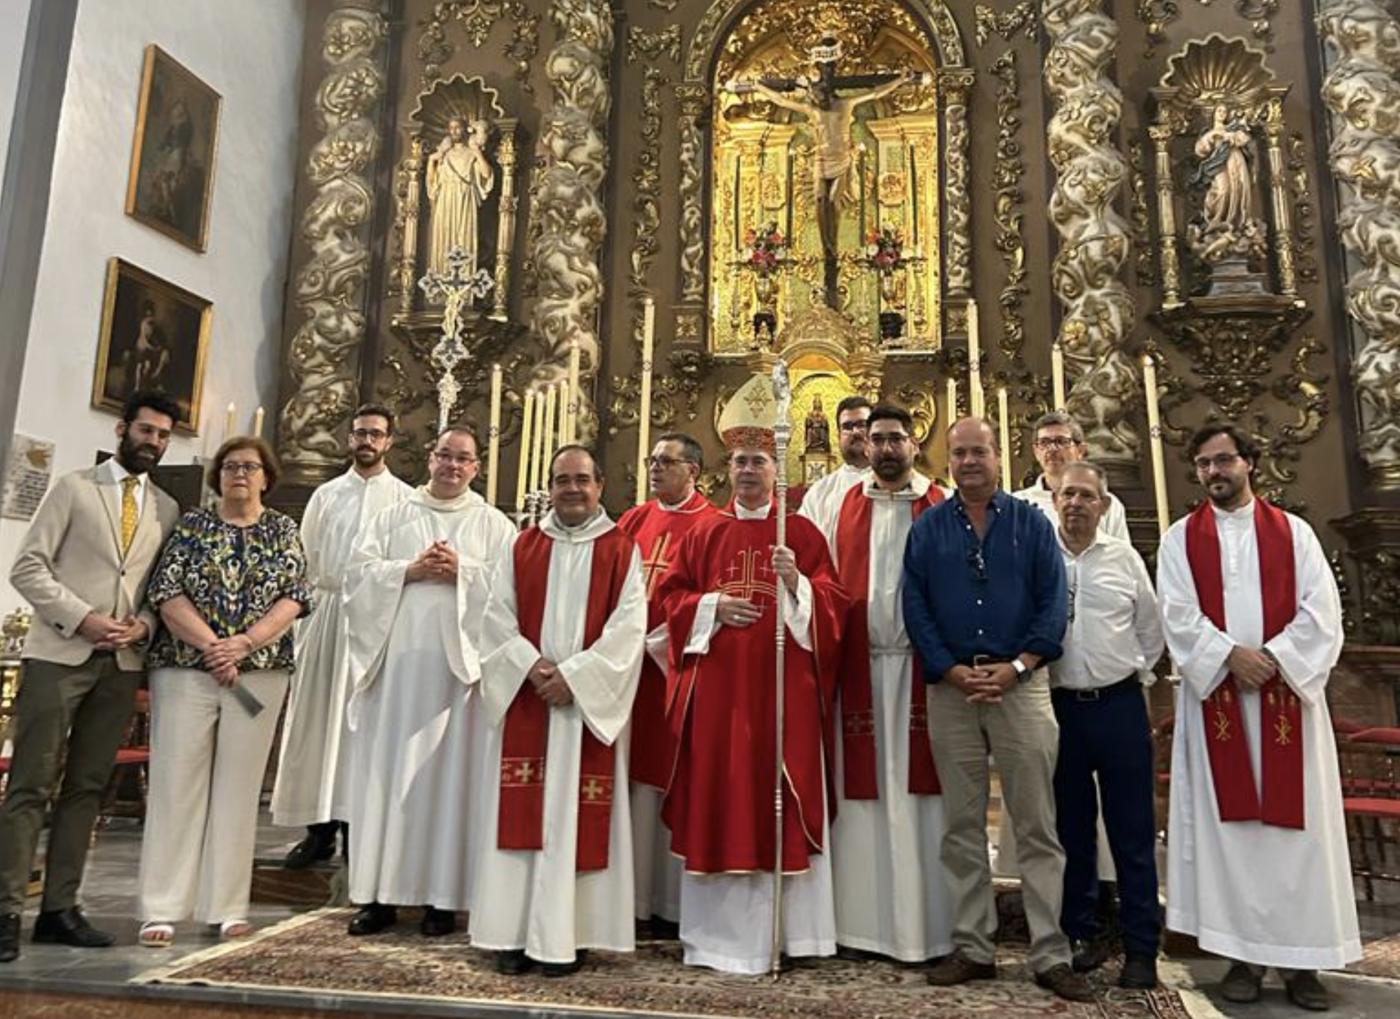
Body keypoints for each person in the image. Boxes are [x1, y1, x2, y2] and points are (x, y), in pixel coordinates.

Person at [1158, 424, 1358, 1011]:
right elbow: (1177, 612)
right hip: (1218, 702)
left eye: (1224, 460)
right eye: (1203, 464)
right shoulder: (1179, 540)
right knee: (1232, 835)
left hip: (1287, 703)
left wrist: (1272, 661)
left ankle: (1304, 964)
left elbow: (1322, 613)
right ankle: (1241, 957)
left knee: (1298, 835)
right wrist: (1227, 657)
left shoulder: (1293, 534)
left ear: (1250, 462)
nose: (1214, 472)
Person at [902, 417, 1091, 1002]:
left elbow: (1053, 602)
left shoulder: (1033, 524)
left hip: (1022, 685)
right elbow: (916, 605)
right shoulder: (929, 527)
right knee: (961, 827)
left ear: (997, 456)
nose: (969, 462)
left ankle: (1049, 952)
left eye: (978, 451)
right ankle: (973, 947)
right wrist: (951, 668)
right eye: (958, 453)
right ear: (949, 460)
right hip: (952, 690)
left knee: (1036, 825)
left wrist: (1018, 666)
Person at [658, 411, 848, 975]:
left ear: (777, 470)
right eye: (739, 461)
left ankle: (796, 937)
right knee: (722, 798)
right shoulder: (704, 532)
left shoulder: (803, 535)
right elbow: (670, 602)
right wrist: (711, 607)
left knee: (781, 803)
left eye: (758, 462)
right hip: (719, 699)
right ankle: (715, 941)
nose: (747, 470)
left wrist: (797, 583)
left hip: (784, 696)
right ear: (726, 469)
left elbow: (837, 611)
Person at [0, 392, 181, 963]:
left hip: (121, 665)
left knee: (87, 789)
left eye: (162, 436)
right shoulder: (76, 488)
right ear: (123, 428)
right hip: (61, 653)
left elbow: (157, 589)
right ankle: (6, 909)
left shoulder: (167, 509)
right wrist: (83, 619)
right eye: (146, 431)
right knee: (31, 784)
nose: (152, 442)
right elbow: (28, 566)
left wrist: (143, 626)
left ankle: (60, 908)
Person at [471, 446, 647, 975]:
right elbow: (495, 618)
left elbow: (629, 627)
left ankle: (570, 936)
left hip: (581, 709)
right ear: (550, 486)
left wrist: (574, 678)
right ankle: (510, 933)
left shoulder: (621, 550)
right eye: (562, 480)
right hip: (531, 700)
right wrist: (531, 668)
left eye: (582, 480)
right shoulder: (522, 545)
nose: (572, 489)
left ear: (600, 486)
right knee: (517, 816)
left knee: (578, 820)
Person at [340, 426, 515, 937]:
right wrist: (410, 571)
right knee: (386, 779)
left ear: (477, 467)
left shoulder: (493, 524)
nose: (452, 466)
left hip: (458, 679)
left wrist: (465, 571)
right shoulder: (394, 517)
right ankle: (377, 896)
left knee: (449, 782)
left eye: (463, 459)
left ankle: (443, 898)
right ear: (429, 456)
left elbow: (512, 595)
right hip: (396, 675)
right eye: (444, 455)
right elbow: (356, 577)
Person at [136, 437, 312, 947]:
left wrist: (245, 645)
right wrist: (215, 647)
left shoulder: (282, 529)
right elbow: (166, 592)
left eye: (250, 467)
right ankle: (161, 908)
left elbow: (294, 597)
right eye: (231, 466)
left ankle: (227, 906)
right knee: (175, 785)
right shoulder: (193, 525)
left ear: (266, 477)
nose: (240, 474)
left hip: (258, 675)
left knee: (238, 790)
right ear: (218, 476)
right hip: (186, 670)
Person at [802, 404, 952, 963]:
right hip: (858, 670)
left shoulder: (940, 503)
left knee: (924, 802)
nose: (885, 448)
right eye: (876, 439)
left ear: (913, 444)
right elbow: (819, 580)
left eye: (895, 439)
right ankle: (858, 928)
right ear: (865, 446)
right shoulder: (839, 502)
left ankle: (929, 930)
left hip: (923, 670)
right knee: (858, 798)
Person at [272, 404, 412, 869]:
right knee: (315, 724)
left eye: (376, 433)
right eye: (360, 433)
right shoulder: (326, 495)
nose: (367, 441)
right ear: (348, 439)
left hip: (374, 621)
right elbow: (303, 560)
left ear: (390, 441)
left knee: (361, 727)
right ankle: (318, 829)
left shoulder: (404, 500)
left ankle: (358, 827)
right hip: (327, 613)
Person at [1048, 461, 1163, 989]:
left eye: (1086, 496)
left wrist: (1129, 673)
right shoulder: (1040, 556)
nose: (1075, 503)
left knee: (1132, 831)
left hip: (1118, 708)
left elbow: (1150, 630)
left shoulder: (1125, 558)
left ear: (1103, 504)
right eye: (1067, 493)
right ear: (1054, 500)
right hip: (1060, 708)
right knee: (1071, 831)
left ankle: (1142, 947)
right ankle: (1081, 934)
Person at [616, 433, 718, 935]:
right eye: (652, 461)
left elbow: (712, 598)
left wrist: (657, 642)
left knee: (671, 779)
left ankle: (672, 903)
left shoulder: (713, 525)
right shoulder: (633, 520)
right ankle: (631, 899)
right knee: (632, 785)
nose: (655, 469)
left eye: (667, 462)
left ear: (694, 471)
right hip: (628, 673)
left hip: (677, 670)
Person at [1013, 411, 1128, 539]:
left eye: (1061, 441)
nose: (1052, 449)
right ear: (1036, 451)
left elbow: (1121, 556)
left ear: (1081, 450)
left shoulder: (1106, 504)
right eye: (1044, 442)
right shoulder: (1017, 504)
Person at [426, 116, 495, 276]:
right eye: (451, 128)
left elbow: (486, 174)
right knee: (445, 236)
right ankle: (443, 279)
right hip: (445, 200)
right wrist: (431, 160)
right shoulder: (444, 154)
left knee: (464, 235)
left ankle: (464, 282)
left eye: (457, 127)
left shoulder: (471, 153)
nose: (454, 131)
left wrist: (477, 151)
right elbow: (432, 182)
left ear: (465, 129)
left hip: (464, 199)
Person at [797, 395, 871, 521]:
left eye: (862, 424)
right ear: (838, 435)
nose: (855, 431)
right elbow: (803, 536)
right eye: (847, 427)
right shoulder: (820, 492)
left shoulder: (895, 484)